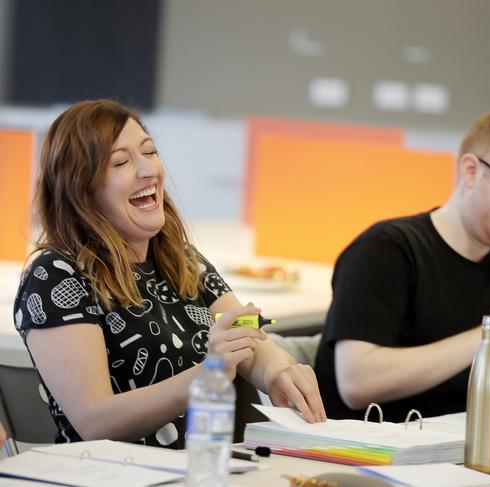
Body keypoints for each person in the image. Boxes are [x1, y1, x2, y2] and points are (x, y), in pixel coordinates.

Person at [13, 99, 325, 448]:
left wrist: (278, 368)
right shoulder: (55, 276)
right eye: (121, 161)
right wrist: (207, 375)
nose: (148, 170)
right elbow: (94, 420)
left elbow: (241, 328)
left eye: (149, 152)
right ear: (81, 190)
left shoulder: (181, 258)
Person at [315, 108, 490, 422]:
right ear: (471, 170)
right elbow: (357, 382)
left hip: (457, 456)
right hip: (363, 455)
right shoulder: (386, 250)